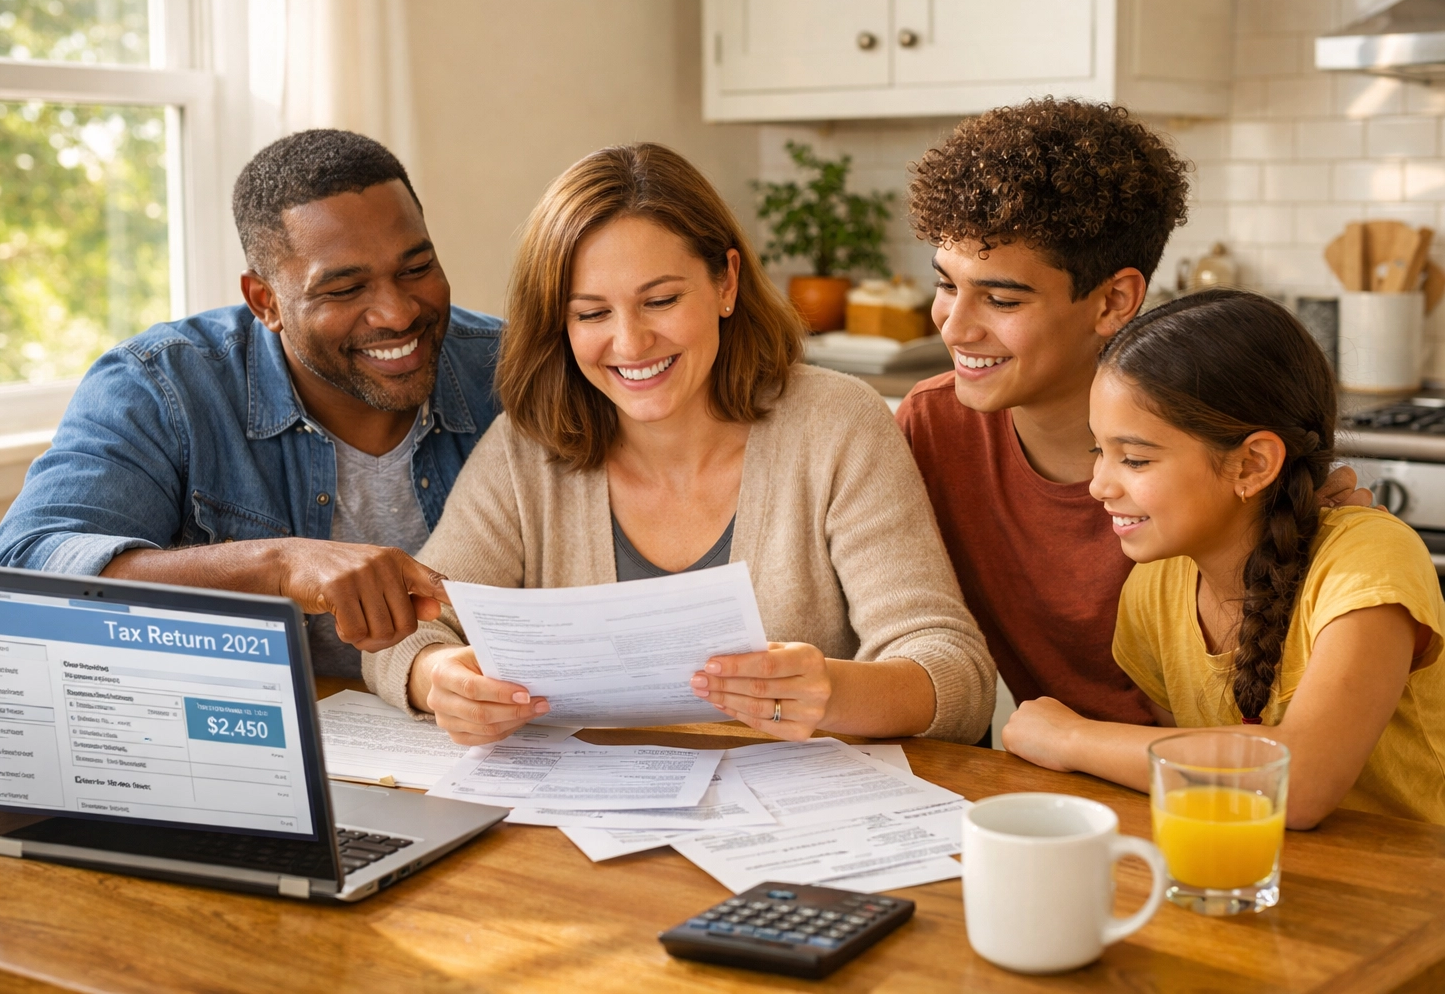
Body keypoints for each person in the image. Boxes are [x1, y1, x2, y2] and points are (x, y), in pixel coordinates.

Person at [364, 142, 996, 744]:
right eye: (591, 314)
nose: (631, 343)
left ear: (726, 283)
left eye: (661, 300)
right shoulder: (527, 450)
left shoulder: (835, 425)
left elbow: (956, 672)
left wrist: (831, 692)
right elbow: (405, 630)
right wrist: (439, 680)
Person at [0, 129, 494, 676]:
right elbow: (23, 576)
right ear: (265, 301)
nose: (398, 313)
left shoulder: (514, 371)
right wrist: (274, 565)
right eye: (345, 290)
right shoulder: (162, 386)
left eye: (416, 269)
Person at [1002, 290, 1445, 828]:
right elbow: (1194, 779)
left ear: (1252, 464)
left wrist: (1072, 738)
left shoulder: (1367, 561)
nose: (1099, 485)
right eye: (1100, 450)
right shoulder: (1152, 589)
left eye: (1135, 459)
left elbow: (1301, 783)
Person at [894, 98, 1192, 729]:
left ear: (1113, 301)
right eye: (947, 285)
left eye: (1001, 300)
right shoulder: (934, 427)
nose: (955, 327)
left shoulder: (1203, 447)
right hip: (1041, 773)